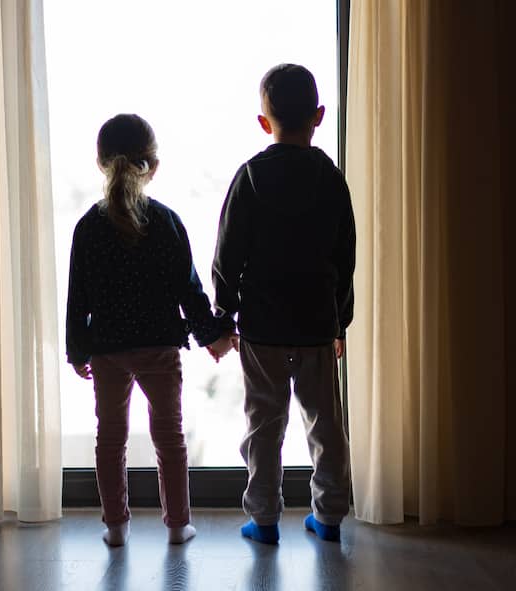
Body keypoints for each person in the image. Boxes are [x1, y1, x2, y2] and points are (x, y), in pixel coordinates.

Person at [66, 113, 237, 547]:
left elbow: (77, 299)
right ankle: (178, 525)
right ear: (153, 166)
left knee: (110, 438)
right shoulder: (166, 222)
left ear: (101, 162)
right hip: (159, 348)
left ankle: (116, 527)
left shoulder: (88, 227)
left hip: (107, 349)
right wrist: (213, 335)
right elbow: (190, 290)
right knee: (169, 437)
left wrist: (78, 351)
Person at [213, 64, 355, 544]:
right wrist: (341, 322)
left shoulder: (250, 177)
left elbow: (227, 255)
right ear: (318, 116)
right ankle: (330, 516)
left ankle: (265, 519)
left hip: (262, 326)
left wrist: (223, 315)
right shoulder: (330, 178)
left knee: (263, 425)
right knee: (325, 425)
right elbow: (345, 256)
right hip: (316, 321)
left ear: (263, 121)